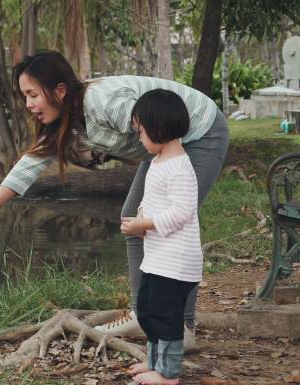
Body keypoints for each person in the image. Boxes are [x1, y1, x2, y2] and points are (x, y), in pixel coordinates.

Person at [0, 50, 229, 351]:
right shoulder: (68, 118)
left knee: (173, 227)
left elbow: (159, 121)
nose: (28, 104)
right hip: (162, 143)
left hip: (200, 133)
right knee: (132, 216)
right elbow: (28, 166)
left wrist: (164, 193)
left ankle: (182, 327)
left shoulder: (102, 102)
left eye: (33, 94)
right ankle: (144, 315)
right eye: (25, 96)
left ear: (59, 90)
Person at [121, 89, 201, 385]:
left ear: (158, 128)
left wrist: (145, 224)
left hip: (176, 263)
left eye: (140, 132)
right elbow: (157, 201)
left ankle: (169, 374)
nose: (139, 138)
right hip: (159, 259)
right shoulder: (160, 161)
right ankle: (155, 362)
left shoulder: (180, 167)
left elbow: (182, 212)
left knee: (166, 319)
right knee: (147, 311)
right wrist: (142, 217)